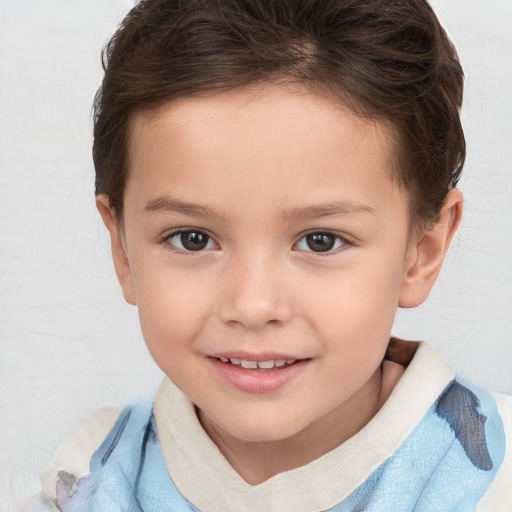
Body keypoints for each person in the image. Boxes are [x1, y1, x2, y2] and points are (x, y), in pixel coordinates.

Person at [33, 0, 512, 510]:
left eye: (320, 240)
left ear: (422, 252)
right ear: (123, 250)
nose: (253, 304)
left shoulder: (496, 484)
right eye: (193, 238)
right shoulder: (90, 481)